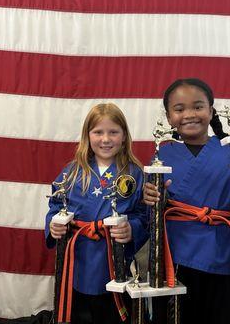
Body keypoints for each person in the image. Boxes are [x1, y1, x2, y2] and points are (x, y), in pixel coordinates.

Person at [143, 78, 230, 324]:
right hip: (175, 258)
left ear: (211, 111)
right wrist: (149, 199)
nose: (189, 114)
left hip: (221, 256)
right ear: (169, 117)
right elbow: (150, 217)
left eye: (198, 107)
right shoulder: (163, 154)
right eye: (179, 109)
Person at [46, 103, 147, 324]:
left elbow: (145, 215)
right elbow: (55, 207)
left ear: (124, 136)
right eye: (98, 132)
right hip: (79, 261)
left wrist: (132, 228)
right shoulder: (72, 172)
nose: (105, 139)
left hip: (116, 261)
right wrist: (53, 224)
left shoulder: (135, 174)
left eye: (113, 132)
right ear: (87, 136)